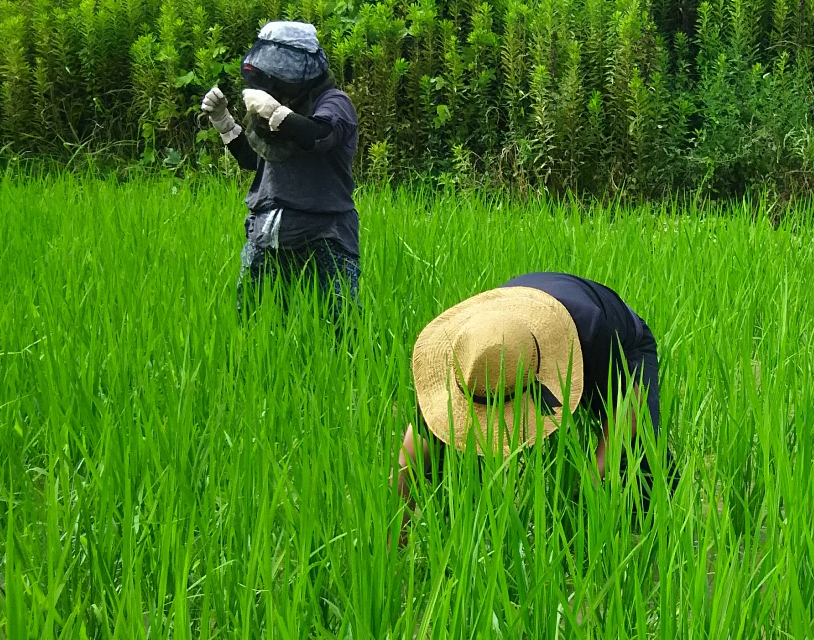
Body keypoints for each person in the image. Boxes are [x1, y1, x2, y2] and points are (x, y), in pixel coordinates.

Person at [395, 273, 667, 530]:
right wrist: (396, 534)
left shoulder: (593, 330)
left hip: (616, 342)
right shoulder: (467, 355)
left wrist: (593, 477)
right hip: (517, 328)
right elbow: (408, 464)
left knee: (635, 462)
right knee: (451, 457)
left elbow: (630, 407)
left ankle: (658, 530)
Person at [197, 21, 361, 323]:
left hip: (325, 234)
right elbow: (255, 160)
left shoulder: (334, 103)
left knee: (341, 325)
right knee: (253, 323)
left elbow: (316, 135)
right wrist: (224, 122)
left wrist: (276, 113)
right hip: (268, 232)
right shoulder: (276, 105)